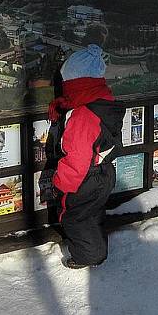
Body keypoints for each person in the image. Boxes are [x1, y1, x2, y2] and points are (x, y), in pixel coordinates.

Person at [39, 44, 124, 269]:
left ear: (76, 83)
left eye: (67, 84)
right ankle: (96, 246)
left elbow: (77, 160)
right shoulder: (103, 103)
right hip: (103, 173)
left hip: (85, 179)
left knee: (75, 218)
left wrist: (61, 183)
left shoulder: (81, 117)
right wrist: (65, 107)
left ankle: (90, 256)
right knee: (92, 214)